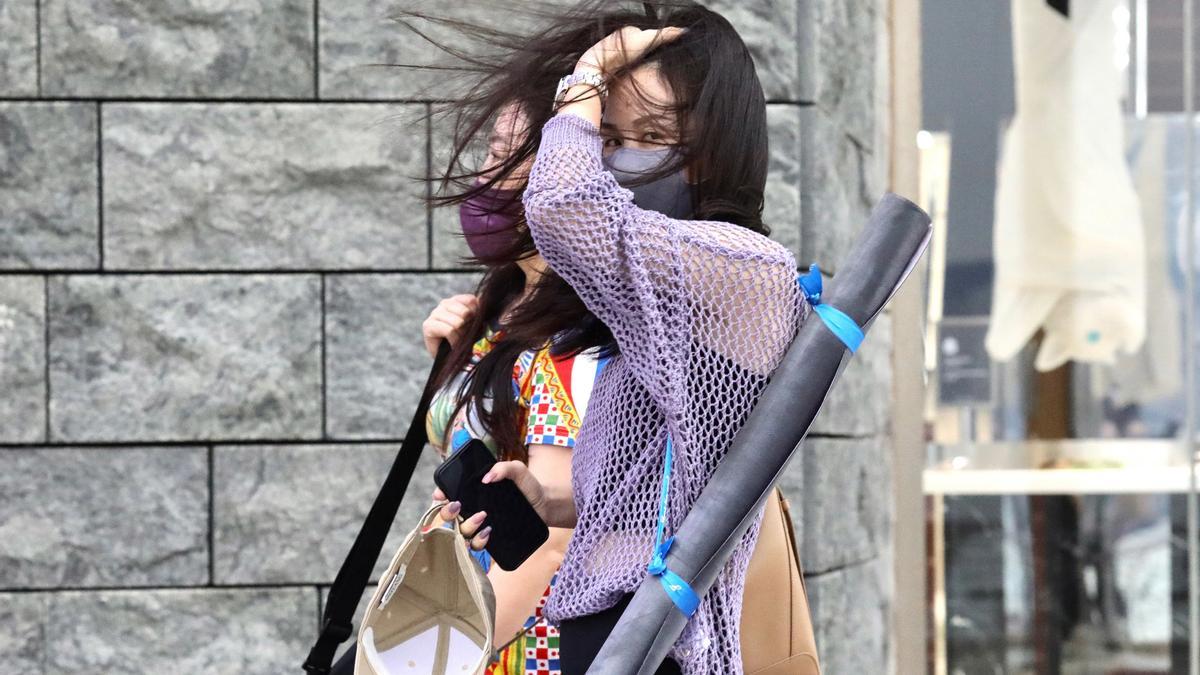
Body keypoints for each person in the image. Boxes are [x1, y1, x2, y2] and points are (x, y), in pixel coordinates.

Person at [427, 3, 807, 673]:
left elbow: (563, 207)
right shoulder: (651, 290)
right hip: (613, 623)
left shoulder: (744, 266)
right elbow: (674, 478)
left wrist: (589, 76)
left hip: (670, 636)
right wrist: (560, 501)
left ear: (715, 151)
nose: (620, 160)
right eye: (609, 138)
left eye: (652, 134)